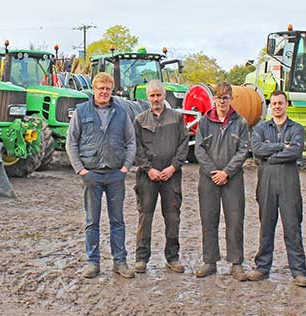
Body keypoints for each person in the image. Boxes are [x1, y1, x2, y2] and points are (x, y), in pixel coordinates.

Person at [66, 72, 137, 279]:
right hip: (92, 175)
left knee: (117, 221)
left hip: (115, 174)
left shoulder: (122, 112)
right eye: (100, 89)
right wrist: (81, 170)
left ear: (112, 90)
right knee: (92, 220)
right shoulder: (81, 111)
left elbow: (131, 141)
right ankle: (92, 262)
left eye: (107, 89)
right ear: (94, 90)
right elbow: (72, 142)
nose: (104, 92)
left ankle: (120, 262)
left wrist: (125, 167)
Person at [246, 90, 306, 286]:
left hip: (288, 183)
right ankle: (262, 267)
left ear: (286, 104)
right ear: (270, 105)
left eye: (280, 103)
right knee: (266, 225)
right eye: (274, 103)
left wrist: (271, 153)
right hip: (266, 182)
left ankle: (298, 271)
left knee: (292, 227)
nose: (277, 106)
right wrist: (282, 147)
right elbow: (256, 149)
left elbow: (296, 151)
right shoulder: (261, 128)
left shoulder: (296, 128)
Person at [193, 82, 251, 280]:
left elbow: (243, 150)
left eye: (225, 98)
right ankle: (210, 261)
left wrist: (226, 172)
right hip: (208, 179)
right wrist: (213, 172)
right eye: (218, 98)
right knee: (209, 219)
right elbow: (198, 149)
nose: (222, 102)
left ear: (231, 99)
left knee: (235, 221)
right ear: (214, 99)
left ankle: (236, 263)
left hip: (232, 179)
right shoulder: (204, 122)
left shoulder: (240, 122)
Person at [132, 80, 189, 273]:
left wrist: (173, 167)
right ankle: (141, 258)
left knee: (173, 217)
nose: (155, 99)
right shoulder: (140, 120)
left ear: (164, 95)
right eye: (152, 95)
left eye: (158, 95)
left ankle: (172, 258)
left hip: (171, 176)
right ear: (147, 97)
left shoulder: (177, 118)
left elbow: (183, 144)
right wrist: (148, 169)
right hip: (147, 177)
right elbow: (136, 148)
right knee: (145, 217)